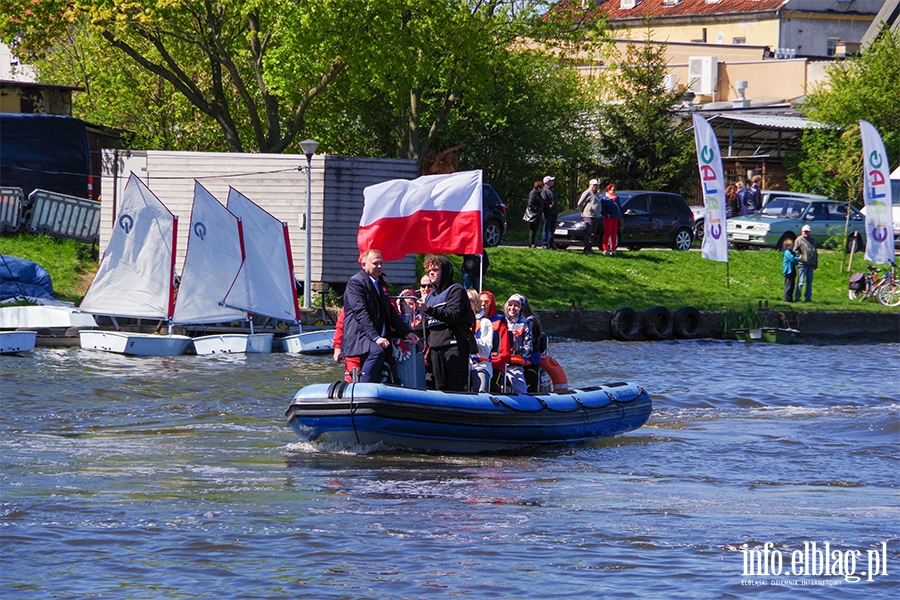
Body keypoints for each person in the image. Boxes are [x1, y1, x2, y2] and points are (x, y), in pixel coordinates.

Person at [342, 249, 418, 383]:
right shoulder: (356, 283)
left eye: (381, 263)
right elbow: (360, 312)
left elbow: (389, 311)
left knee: (388, 362)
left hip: (380, 337)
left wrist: (406, 332)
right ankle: (363, 388)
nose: (379, 267)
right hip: (361, 336)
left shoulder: (381, 284)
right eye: (375, 263)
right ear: (364, 264)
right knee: (377, 352)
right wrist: (376, 337)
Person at [416, 255, 476, 392]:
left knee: (454, 386)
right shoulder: (431, 296)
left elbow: (452, 315)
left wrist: (429, 309)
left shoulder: (456, 290)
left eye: (435, 270)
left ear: (445, 271)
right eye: (429, 270)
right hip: (435, 347)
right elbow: (427, 323)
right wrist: (409, 332)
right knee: (439, 386)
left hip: (453, 345)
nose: (431, 273)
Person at [480, 289, 512, 392]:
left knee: (494, 384)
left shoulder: (500, 324)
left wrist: (490, 363)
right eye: (480, 302)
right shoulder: (472, 322)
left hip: (495, 366)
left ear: (491, 304)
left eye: (486, 302)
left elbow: (506, 354)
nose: (483, 305)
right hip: (475, 363)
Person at [504, 294, 533, 394]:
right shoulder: (501, 321)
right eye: (510, 305)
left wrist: (518, 349)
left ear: (521, 308)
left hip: (515, 365)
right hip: (499, 363)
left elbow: (529, 349)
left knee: (521, 390)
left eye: (516, 305)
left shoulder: (525, 323)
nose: (512, 308)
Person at [467, 289, 493, 393]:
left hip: (480, 364)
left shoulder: (485, 323)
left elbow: (486, 351)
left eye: (469, 300)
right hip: (463, 365)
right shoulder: (459, 322)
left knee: (480, 388)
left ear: (476, 303)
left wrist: (471, 340)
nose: (466, 303)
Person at [577, 179, 603, 254]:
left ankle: (590, 248)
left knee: (593, 233)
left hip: (595, 216)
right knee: (589, 232)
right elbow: (580, 203)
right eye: (594, 185)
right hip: (589, 215)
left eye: (596, 185)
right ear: (590, 185)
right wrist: (582, 211)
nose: (595, 186)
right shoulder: (587, 192)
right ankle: (586, 248)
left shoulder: (596, 193)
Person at [793, 225, 818, 302]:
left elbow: (815, 252)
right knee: (800, 282)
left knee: (809, 283)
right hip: (802, 265)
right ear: (802, 231)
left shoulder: (812, 240)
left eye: (807, 231)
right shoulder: (799, 240)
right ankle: (797, 297)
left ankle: (808, 298)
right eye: (805, 231)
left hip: (811, 264)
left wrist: (816, 263)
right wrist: (801, 258)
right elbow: (795, 250)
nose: (806, 233)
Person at [601, 183, 622, 256]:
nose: (614, 191)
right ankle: (605, 249)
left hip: (616, 218)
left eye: (615, 189)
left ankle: (613, 249)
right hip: (608, 218)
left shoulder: (617, 198)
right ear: (608, 190)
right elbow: (602, 209)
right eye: (612, 189)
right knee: (607, 233)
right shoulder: (605, 199)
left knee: (614, 234)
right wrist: (607, 215)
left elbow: (619, 207)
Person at [540, 176, 559, 249]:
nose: (553, 182)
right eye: (551, 180)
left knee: (552, 229)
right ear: (547, 182)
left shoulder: (551, 190)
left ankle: (551, 243)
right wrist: (548, 206)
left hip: (554, 212)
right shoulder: (544, 191)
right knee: (546, 229)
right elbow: (543, 201)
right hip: (547, 213)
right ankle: (545, 244)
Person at [523, 181, 544, 248]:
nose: (542, 189)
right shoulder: (533, 193)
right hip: (533, 214)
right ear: (538, 187)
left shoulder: (538, 193)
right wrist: (537, 209)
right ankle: (531, 243)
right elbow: (530, 204)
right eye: (542, 187)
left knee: (534, 229)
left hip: (537, 214)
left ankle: (532, 243)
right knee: (533, 229)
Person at [782, 238, 799, 303]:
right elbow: (793, 260)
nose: (793, 246)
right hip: (788, 270)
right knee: (788, 285)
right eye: (792, 245)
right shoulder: (787, 252)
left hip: (792, 269)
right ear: (787, 246)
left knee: (792, 285)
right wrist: (798, 258)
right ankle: (786, 298)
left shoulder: (792, 252)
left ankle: (790, 298)